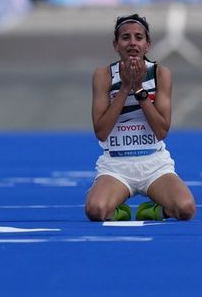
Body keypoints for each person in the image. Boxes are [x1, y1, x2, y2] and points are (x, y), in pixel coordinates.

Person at [84, 14, 196, 221]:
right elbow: (101, 132)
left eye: (138, 37)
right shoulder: (104, 75)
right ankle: (119, 210)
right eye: (126, 37)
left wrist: (139, 90)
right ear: (116, 45)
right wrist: (125, 87)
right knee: (96, 211)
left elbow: (162, 130)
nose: (132, 43)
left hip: (154, 163)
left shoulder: (160, 74)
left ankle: (153, 210)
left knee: (186, 209)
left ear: (147, 45)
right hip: (116, 165)